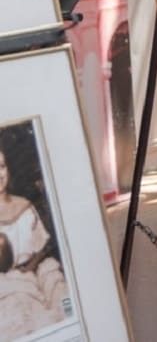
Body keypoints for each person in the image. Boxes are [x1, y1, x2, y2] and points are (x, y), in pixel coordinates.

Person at [0, 145, 69, 340]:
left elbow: (42, 247)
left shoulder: (24, 206)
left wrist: (31, 266)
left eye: (2, 166)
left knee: (59, 290)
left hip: (32, 269)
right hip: (4, 281)